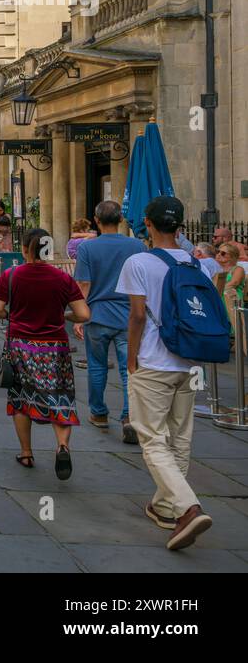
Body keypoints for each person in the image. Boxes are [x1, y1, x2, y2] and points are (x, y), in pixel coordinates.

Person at [116, 196, 216, 550]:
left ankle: (187, 508)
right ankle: (164, 506)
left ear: (148, 223)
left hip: (155, 362)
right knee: (180, 437)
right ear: (180, 225)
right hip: (189, 363)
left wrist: (131, 357)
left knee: (153, 439)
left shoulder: (139, 262)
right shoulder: (197, 263)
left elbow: (138, 317)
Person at [0, 228, 90, 479]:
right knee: (61, 396)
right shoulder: (62, 279)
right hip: (55, 347)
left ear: (24, 249)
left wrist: (12, 316)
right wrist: (64, 315)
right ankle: (62, 446)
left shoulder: (11, 276)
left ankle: (26, 453)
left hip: (21, 346)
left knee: (21, 399)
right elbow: (84, 314)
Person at [73, 200, 144, 444]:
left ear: (96, 220)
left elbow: (83, 284)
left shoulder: (87, 248)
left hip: (97, 313)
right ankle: (129, 417)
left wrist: (79, 315)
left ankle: (98, 413)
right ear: (121, 220)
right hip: (128, 315)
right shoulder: (137, 245)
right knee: (129, 369)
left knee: (96, 366)